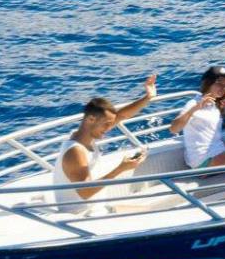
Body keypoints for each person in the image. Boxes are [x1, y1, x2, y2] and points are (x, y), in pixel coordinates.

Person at [57, 74, 158, 209]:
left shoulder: (85, 136)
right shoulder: (76, 151)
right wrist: (120, 169)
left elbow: (122, 115)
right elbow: (85, 192)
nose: (109, 128)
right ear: (91, 119)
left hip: (97, 208)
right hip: (82, 216)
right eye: (106, 124)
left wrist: (148, 97)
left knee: (151, 209)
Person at [172, 65, 225, 169]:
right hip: (203, 158)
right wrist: (196, 108)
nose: (223, 88)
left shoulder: (215, 105)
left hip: (218, 151)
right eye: (219, 83)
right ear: (208, 83)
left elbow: (212, 137)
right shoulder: (193, 103)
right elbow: (174, 128)